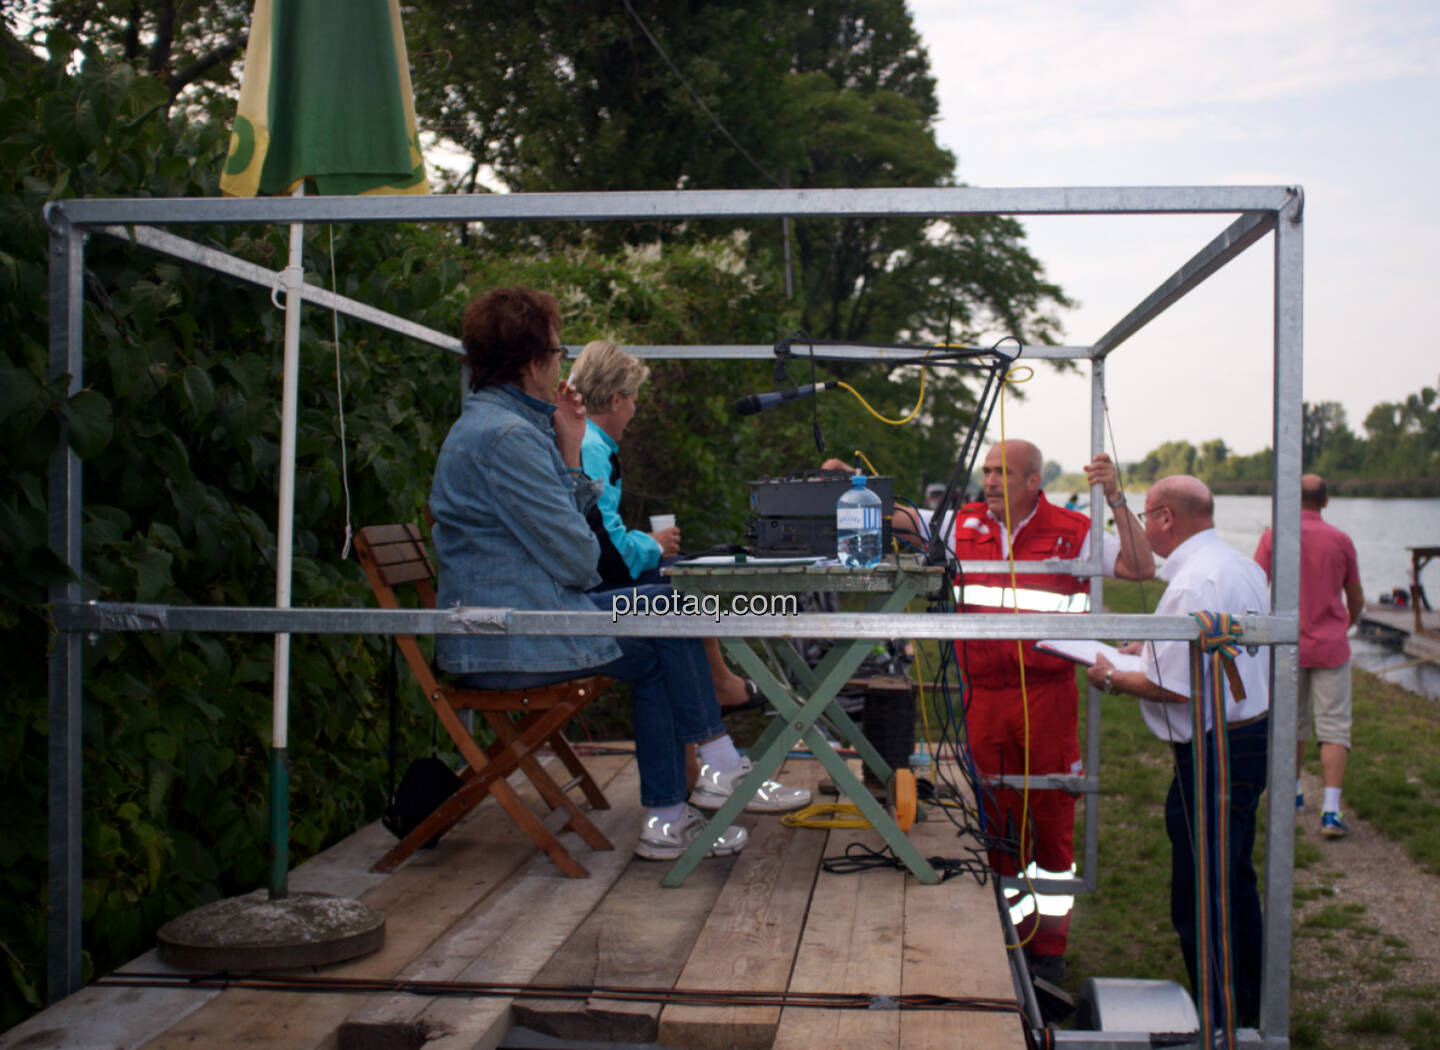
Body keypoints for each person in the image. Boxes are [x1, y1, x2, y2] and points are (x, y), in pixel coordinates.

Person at [429, 287, 808, 864]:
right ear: (531, 363)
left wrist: (572, 448)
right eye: (556, 353)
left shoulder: (502, 428)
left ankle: (670, 815)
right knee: (671, 615)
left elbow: (573, 540)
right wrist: (573, 457)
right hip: (514, 640)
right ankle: (719, 768)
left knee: (669, 607)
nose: (562, 366)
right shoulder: (506, 439)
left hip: (525, 622)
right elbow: (582, 560)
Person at [946, 439, 1155, 982]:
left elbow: (1140, 566)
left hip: (1046, 695)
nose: (990, 481)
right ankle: (1005, 937)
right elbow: (899, 520)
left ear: (1033, 481)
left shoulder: (1073, 528)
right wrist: (848, 481)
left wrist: (1115, 498)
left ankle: (1049, 953)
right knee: (993, 813)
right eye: (987, 471)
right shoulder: (962, 524)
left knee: (1052, 816)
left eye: (1003, 473)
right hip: (982, 694)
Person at [1087, 475, 1270, 1027]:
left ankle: (1224, 1022)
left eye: (1145, 516)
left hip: (1215, 756)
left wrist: (1114, 676)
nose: (1144, 527)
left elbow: (1176, 686)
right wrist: (1150, 649)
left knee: (1203, 898)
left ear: (1166, 518)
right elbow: (1213, 650)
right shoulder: (1239, 565)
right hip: (1247, 738)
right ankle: (1244, 1011)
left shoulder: (1194, 581)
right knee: (1232, 883)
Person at [567, 339, 765, 715]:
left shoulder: (591, 442)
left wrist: (646, 543)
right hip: (591, 592)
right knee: (685, 582)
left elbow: (598, 531)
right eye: (633, 399)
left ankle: (708, 723)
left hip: (591, 580)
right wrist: (653, 546)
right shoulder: (590, 446)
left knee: (684, 574)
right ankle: (720, 690)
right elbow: (607, 551)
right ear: (614, 400)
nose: (634, 410)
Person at [1252, 473, 1362, 836]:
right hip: (1331, 645)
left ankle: (1293, 791)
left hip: (1286, 645)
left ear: (1290, 499)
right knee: (1333, 726)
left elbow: (1255, 587)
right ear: (1325, 502)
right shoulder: (1341, 540)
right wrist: (1347, 624)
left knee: (1289, 722)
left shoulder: (1272, 538)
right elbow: (1355, 595)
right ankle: (1331, 809)